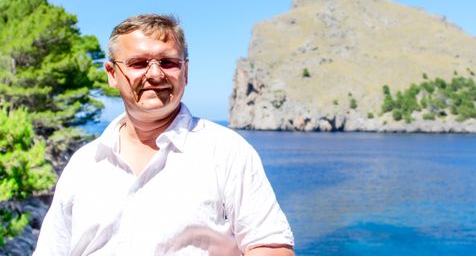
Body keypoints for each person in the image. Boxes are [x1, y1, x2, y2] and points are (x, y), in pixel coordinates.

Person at [33, 14, 294, 255]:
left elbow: (271, 246)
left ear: (186, 72)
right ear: (112, 74)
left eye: (168, 62)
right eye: (139, 63)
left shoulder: (226, 151)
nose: (155, 74)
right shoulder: (83, 164)